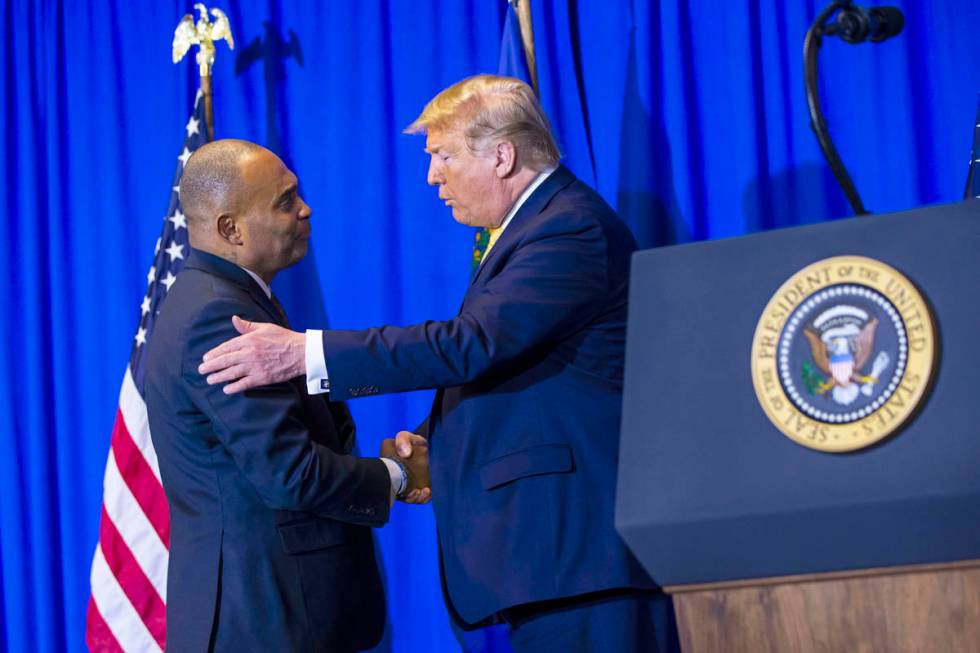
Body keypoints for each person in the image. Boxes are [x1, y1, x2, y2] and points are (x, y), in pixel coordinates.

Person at [198, 77, 664, 652]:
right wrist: (433, 447)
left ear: (502, 155)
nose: (432, 176)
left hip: (582, 562)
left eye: (443, 156)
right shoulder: (532, 229)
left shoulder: (569, 228)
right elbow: (519, 373)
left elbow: (470, 344)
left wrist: (304, 353)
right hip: (558, 566)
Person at [144, 139, 428, 652]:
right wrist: (399, 476)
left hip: (277, 614)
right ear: (230, 229)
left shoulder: (238, 298)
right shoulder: (219, 317)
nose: (305, 209)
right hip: (266, 619)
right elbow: (289, 473)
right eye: (284, 201)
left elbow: (316, 418)